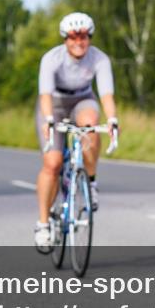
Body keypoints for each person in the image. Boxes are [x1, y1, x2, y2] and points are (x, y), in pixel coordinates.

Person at [33, 12, 118, 248]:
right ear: (65, 39)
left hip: (82, 100)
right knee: (53, 163)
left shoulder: (99, 59)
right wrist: (49, 120)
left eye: (83, 37)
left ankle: (90, 182)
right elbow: (45, 95)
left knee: (91, 124)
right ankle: (42, 223)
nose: (78, 42)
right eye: (73, 37)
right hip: (55, 104)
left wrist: (112, 121)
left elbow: (106, 94)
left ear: (89, 38)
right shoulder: (52, 59)